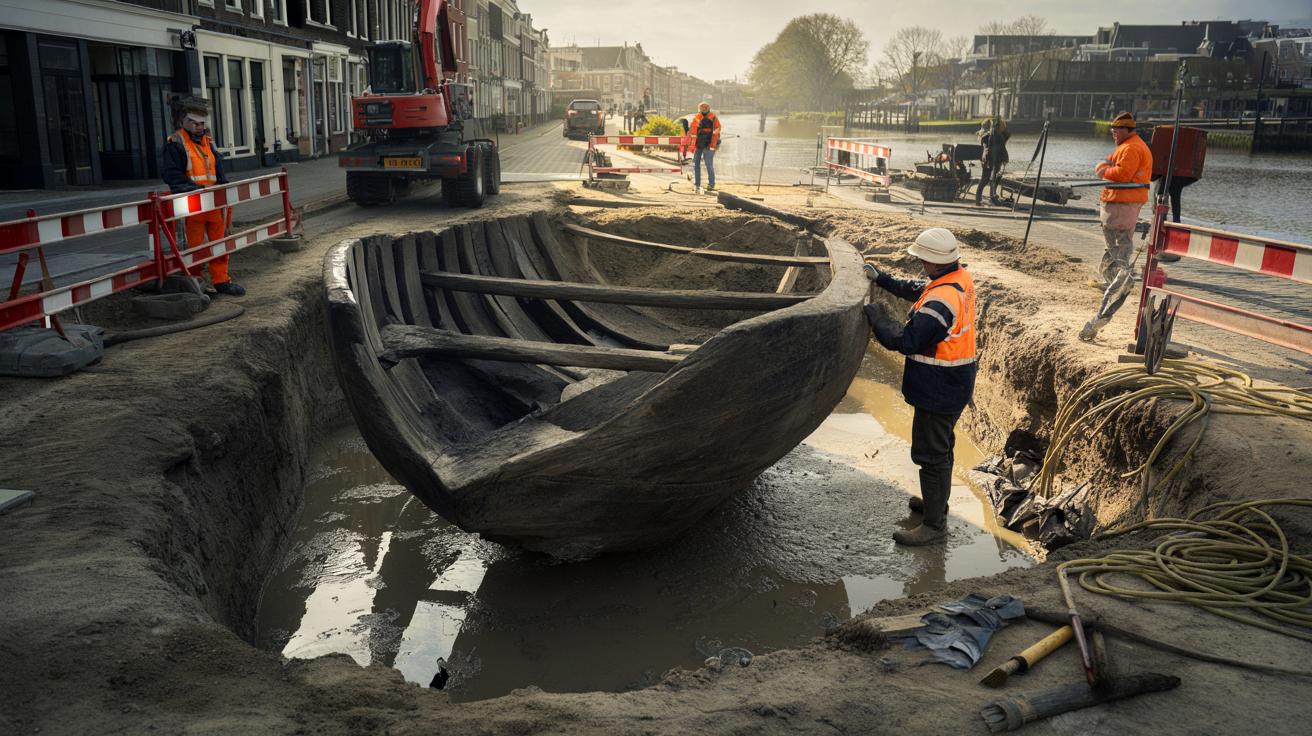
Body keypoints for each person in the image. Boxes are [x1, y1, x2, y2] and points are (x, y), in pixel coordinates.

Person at [863, 228, 977, 546]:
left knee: (931, 454)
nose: (920, 264)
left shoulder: (942, 302)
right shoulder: (957, 278)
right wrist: (882, 278)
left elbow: (906, 340)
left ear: (932, 261)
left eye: (922, 259)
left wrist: (878, 318)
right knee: (942, 447)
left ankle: (934, 525)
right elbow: (919, 290)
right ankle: (935, 504)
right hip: (955, 379)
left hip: (940, 386)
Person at [1080, 111, 1152, 341]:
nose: (1113, 132)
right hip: (1119, 203)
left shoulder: (1131, 148)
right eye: (1112, 129)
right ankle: (1113, 279)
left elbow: (1120, 173)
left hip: (1122, 204)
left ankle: (1121, 283)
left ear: (1128, 130)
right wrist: (1106, 165)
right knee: (1113, 247)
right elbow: (1109, 160)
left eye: (1117, 129)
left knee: (1120, 247)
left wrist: (1103, 170)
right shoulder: (1126, 146)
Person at [161, 103, 245, 296]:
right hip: (192, 204)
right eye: (194, 122)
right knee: (194, 246)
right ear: (183, 122)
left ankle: (221, 280)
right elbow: (171, 175)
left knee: (219, 243)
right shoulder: (176, 143)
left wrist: (224, 187)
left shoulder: (208, 141)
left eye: (202, 123)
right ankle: (196, 282)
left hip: (213, 202)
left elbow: (217, 169)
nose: (199, 127)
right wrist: (195, 190)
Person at [686, 101, 721, 192]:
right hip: (699, 144)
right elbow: (692, 131)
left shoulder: (712, 118)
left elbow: (717, 129)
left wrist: (712, 140)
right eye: (703, 107)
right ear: (700, 109)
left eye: (705, 108)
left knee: (706, 164)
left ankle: (710, 184)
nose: (704, 109)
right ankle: (699, 184)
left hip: (708, 144)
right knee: (698, 164)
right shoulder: (699, 117)